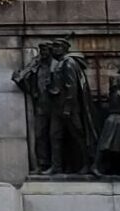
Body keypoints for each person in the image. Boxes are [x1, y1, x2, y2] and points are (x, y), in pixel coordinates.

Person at [12, 38, 93, 176]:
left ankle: (87, 164)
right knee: (54, 136)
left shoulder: (68, 63)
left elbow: (71, 87)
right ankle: (56, 167)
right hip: (57, 108)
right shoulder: (57, 64)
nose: (54, 49)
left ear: (64, 48)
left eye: (57, 46)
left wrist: (67, 107)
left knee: (77, 136)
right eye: (53, 46)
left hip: (68, 109)